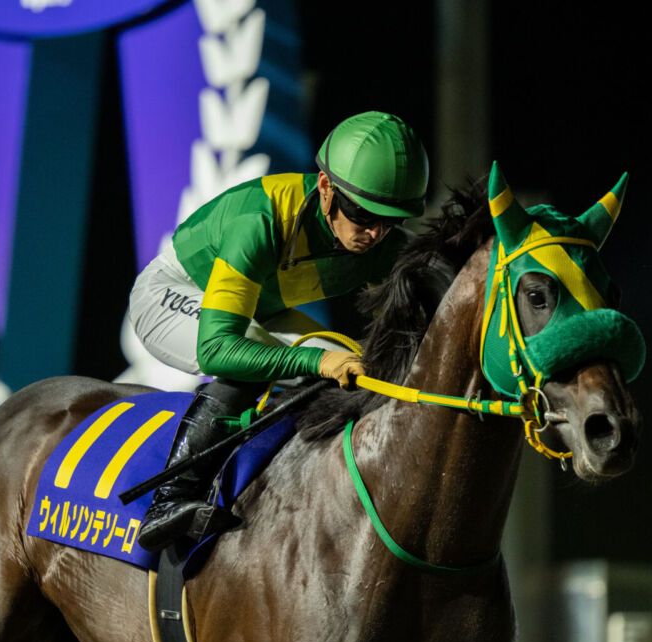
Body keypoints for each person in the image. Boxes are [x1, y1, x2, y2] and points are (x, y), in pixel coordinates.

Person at [127, 111, 429, 552]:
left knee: (358, 369)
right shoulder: (260, 220)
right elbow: (216, 349)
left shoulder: (381, 242)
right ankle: (169, 499)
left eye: (390, 220)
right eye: (363, 214)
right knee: (258, 358)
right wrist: (316, 361)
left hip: (260, 309)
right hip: (174, 292)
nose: (374, 232)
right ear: (325, 187)